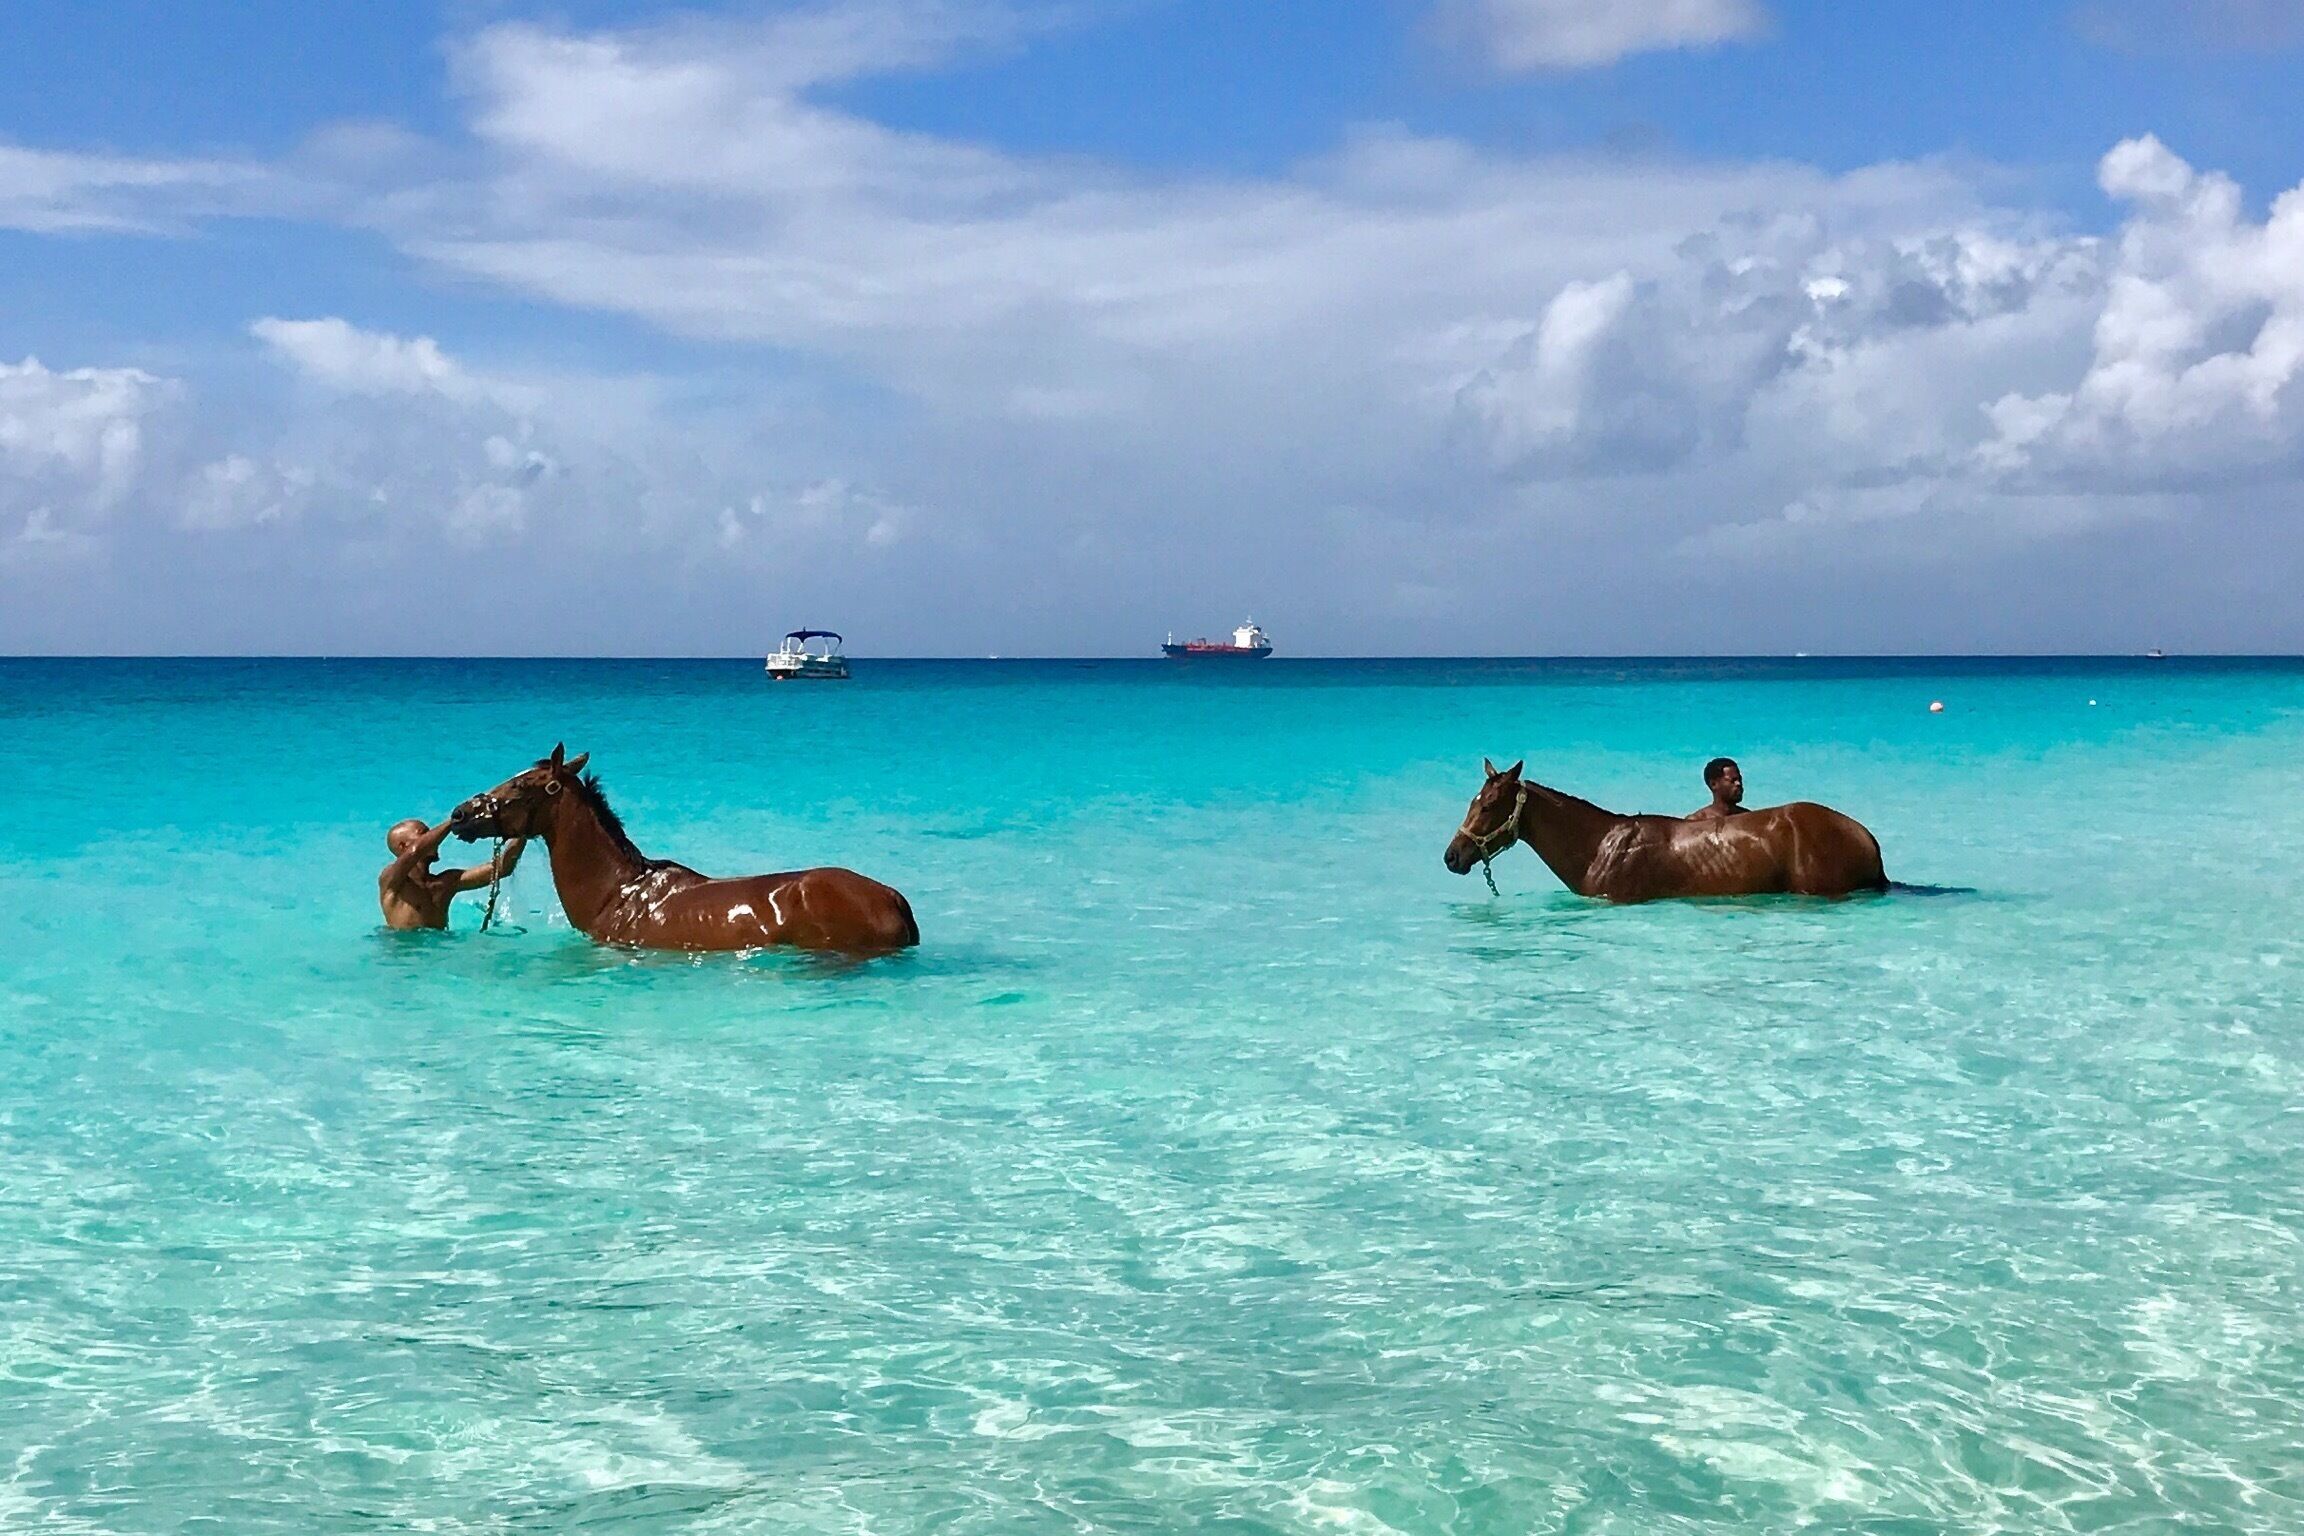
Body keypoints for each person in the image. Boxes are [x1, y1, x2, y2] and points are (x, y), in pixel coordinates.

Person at [378, 816, 525, 930]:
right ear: (404, 846)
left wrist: (523, 830)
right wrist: (453, 821)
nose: (433, 837)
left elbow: (503, 868)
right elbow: (416, 851)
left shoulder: (447, 882)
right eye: (424, 833)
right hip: (404, 957)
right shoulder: (392, 880)